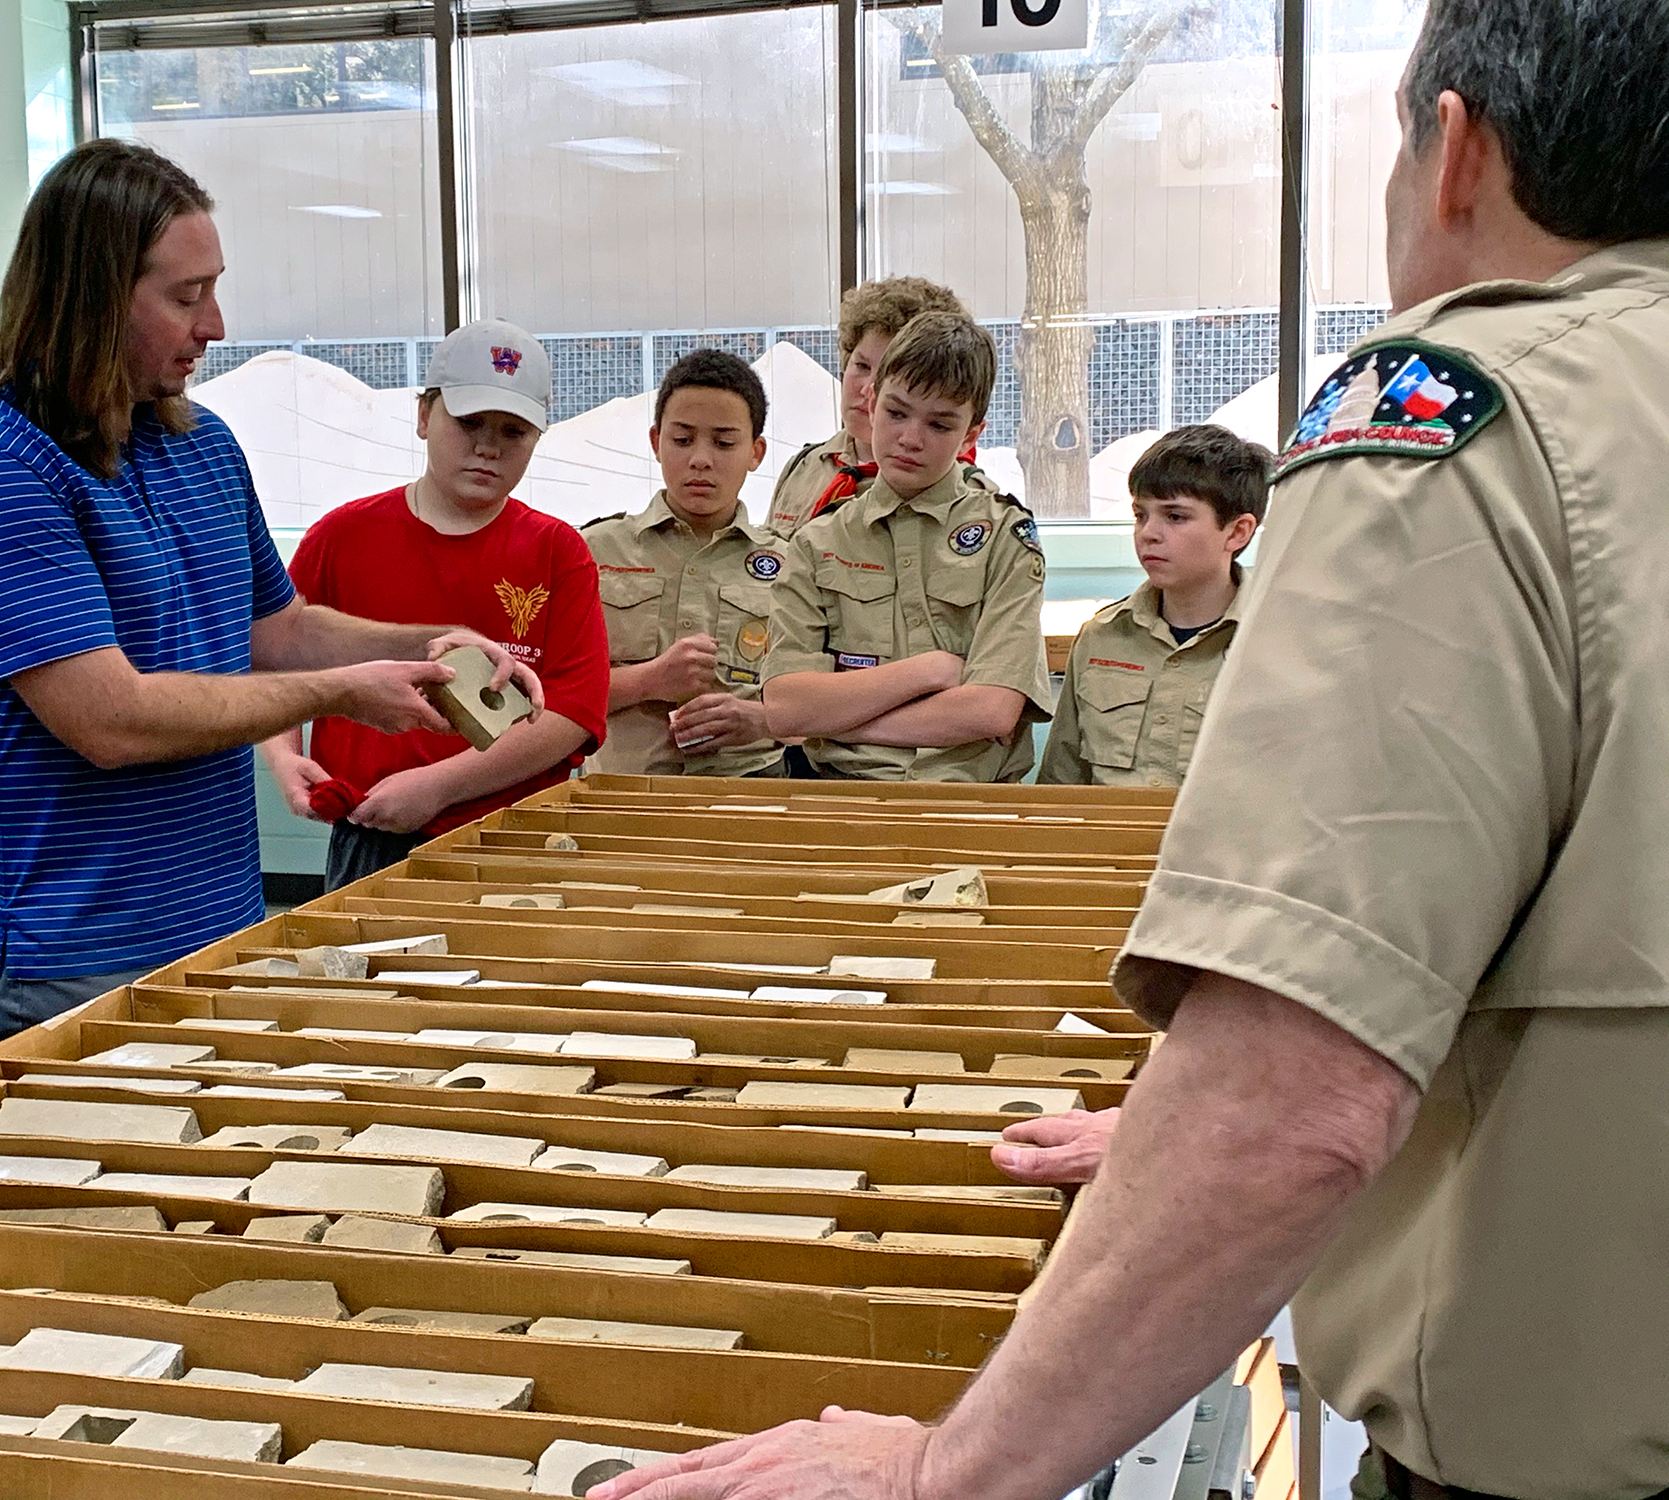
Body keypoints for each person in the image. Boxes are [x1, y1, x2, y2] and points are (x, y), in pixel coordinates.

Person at [592, 1, 1669, 1498]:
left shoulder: (1472, 419)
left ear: (1454, 152)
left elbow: (1304, 1091)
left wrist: (944, 1474)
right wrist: (1183, 1132)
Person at [0, 140, 536, 1048]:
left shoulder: (198, 444)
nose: (216, 324)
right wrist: (343, 694)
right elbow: (110, 719)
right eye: (184, 296)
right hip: (76, 953)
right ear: (90, 296)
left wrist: (433, 639)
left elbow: (278, 630)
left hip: (219, 922)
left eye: (214, 288)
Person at [262, 320, 608, 889]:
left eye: (513, 431)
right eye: (468, 422)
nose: (488, 446)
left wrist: (441, 785)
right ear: (424, 416)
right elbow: (274, 658)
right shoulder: (341, 538)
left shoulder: (557, 551)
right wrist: (282, 755)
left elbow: (572, 711)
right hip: (373, 829)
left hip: (515, 835)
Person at [761, 312, 1052, 782]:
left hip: (970, 803)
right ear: (871, 402)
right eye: (896, 413)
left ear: (972, 434)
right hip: (842, 800)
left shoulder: (1003, 537)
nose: (911, 439)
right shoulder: (819, 541)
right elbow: (786, 708)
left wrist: (839, 724)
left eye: (940, 425)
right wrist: (930, 670)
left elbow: (991, 710)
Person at [582, 349, 785, 778]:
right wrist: (649, 681)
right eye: (682, 439)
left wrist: (763, 719)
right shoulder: (595, 552)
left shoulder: (791, 563)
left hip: (749, 799)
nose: (701, 459)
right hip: (621, 799)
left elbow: (825, 699)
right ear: (656, 442)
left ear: (756, 451)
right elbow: (546, 694)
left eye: (725, 442)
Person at [1039, 425, 1272, 787]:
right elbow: (1062, 785)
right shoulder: (1102, 637)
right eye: (1140, 514)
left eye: (1175, 516)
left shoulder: (1279, 641)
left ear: (1237, 532)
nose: (1148, 532)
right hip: (1109, 842)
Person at [766, 278, 994, 542]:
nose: (867, 389)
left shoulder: (968, 496)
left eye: (888, 376)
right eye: (861, 366)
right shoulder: (804, 467)